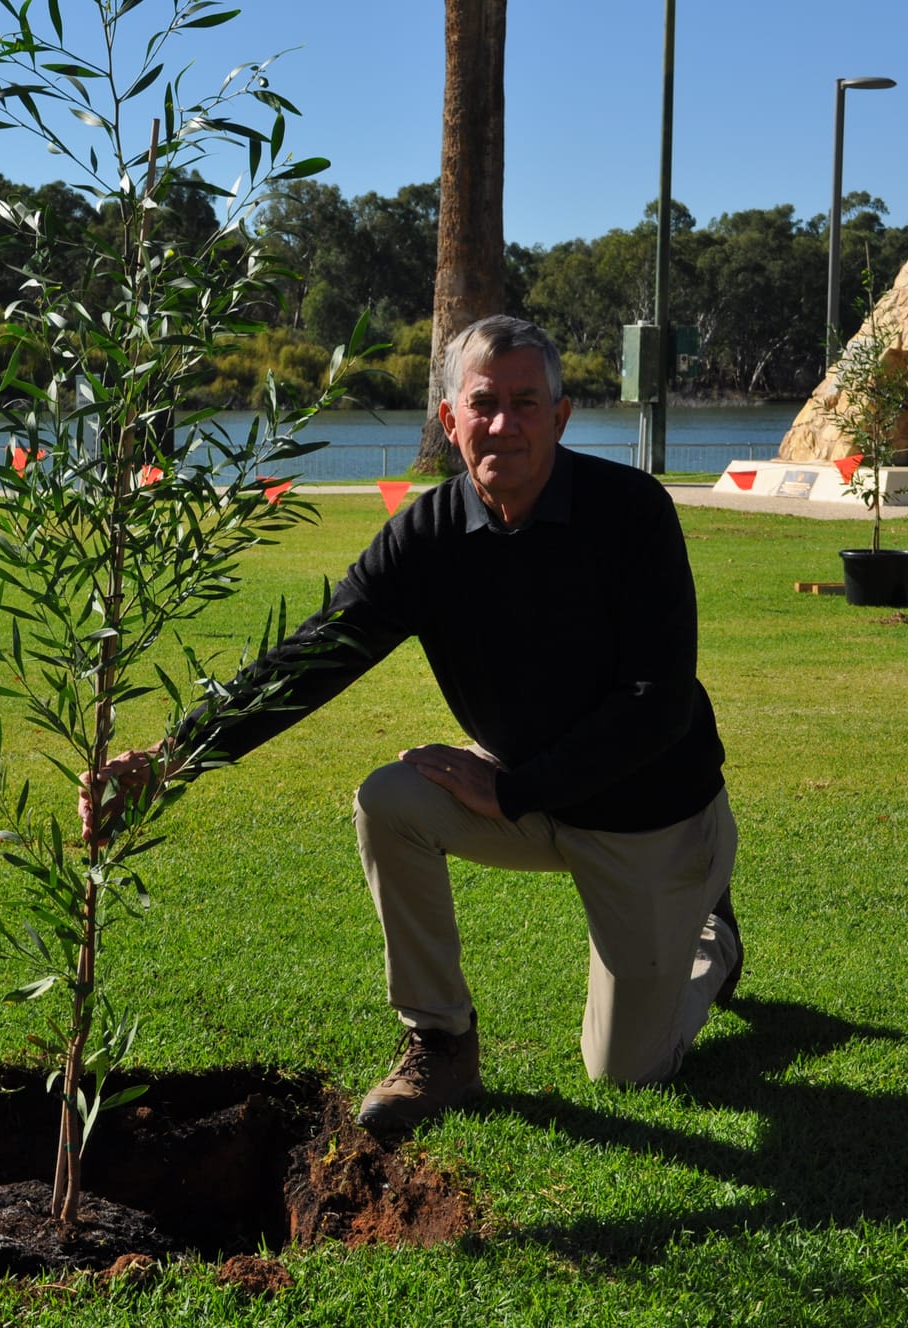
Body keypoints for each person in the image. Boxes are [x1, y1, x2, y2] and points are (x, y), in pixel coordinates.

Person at [84, 314, 740, 1130]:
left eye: (528, 403)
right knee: (390, 800)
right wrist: (176, 756)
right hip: (524, 792)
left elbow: (659, 701)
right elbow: (314, 657)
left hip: (649, 818)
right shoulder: (425, 537)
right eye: (485, 403)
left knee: (626, 1074)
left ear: (563, 418)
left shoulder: (631, 513)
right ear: (449, 419)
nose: (505, 424)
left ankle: (711, 944)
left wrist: (516, 788)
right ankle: (441, 1043)